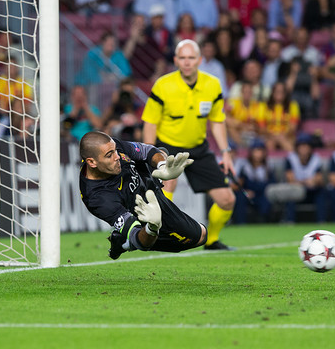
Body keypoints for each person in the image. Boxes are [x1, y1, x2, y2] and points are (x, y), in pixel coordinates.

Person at [142, 39, 237, 250]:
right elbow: (150, 122)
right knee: (169, 184)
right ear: (175, 60)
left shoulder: (212, 84)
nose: (186, 62)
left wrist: (225, 152)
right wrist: (147, 153)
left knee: (227, 200)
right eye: (182, 58)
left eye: (191, 58)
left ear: (200, 60)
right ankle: (157, 235)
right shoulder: (163, 85)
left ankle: (211, 241)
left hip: (198, 148)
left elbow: (217, 121)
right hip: (167, 146)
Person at [79, 131, 207, 259]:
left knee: (161, 151)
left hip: (150, 187)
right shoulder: (98, 199)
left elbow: (147, 151)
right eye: (109, 155)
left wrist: (162, 166)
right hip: (143, 213)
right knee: (200, 236)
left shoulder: (111, 146)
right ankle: (124, 242)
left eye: (115, 151)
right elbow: (139, 238)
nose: (117, 156)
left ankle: (124, 241)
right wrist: (152, 226)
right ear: (92, 162)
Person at [284, 133, 327, 223]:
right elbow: (290, 179)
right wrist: (305, 182)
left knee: (321, 192)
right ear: (297, 147)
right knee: (290, 194)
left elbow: (319, 179)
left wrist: (313, 181)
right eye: (301, 146)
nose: (304, 149)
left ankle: (321, 221)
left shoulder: (316, 159)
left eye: (306, 146)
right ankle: (290, 221)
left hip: (311, 191)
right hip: (297, 191)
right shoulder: (291, 158)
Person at [232, 140, 274, 224]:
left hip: (263, 193)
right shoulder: (245, 166)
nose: (258, 154)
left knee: (266, 199)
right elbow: (240, 184)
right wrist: (246, 191)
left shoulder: (269, 166)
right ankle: (241, 223)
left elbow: (272, 183)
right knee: (241, 196)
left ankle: (264, 223)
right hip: (248, 193)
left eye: (261, 151)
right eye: (256, 151)